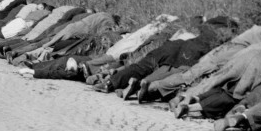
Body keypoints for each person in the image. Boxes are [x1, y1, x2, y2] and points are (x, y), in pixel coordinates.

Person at [140, 27, 261, 103]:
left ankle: (154, 86)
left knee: (193, 73)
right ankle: (186, 97)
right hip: (243, 57)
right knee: (212, 79)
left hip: (226, 51)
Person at [96, 17, 238, 97]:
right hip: (193, 50)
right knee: (173, 72)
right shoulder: (226, 34)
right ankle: (140, 86)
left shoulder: (204, 26)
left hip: (175, 44)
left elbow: (197, 24)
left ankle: (112, 83)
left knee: (144, 66)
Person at [172, 39, 261, 119]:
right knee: (234, 96)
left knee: (223, 86)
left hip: (247, 56)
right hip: (259, 65)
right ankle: (190, 108)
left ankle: (191, 97)